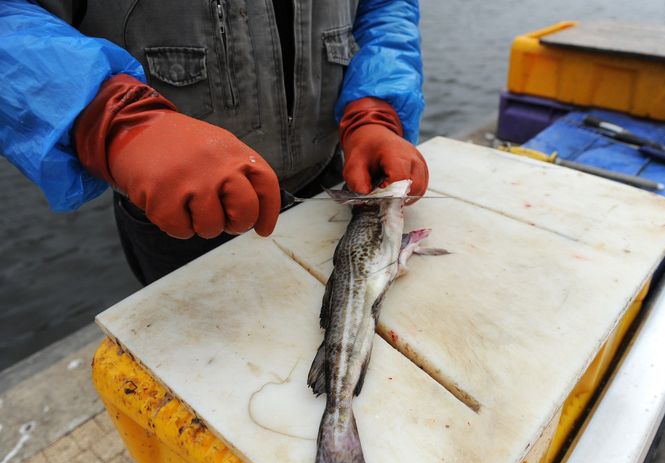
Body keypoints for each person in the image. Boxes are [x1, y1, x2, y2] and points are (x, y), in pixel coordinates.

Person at [0, 0, 428, 285]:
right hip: (177, 216)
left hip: (336, 180)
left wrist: (376, 106)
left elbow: (384, 5)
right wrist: (112, 118)